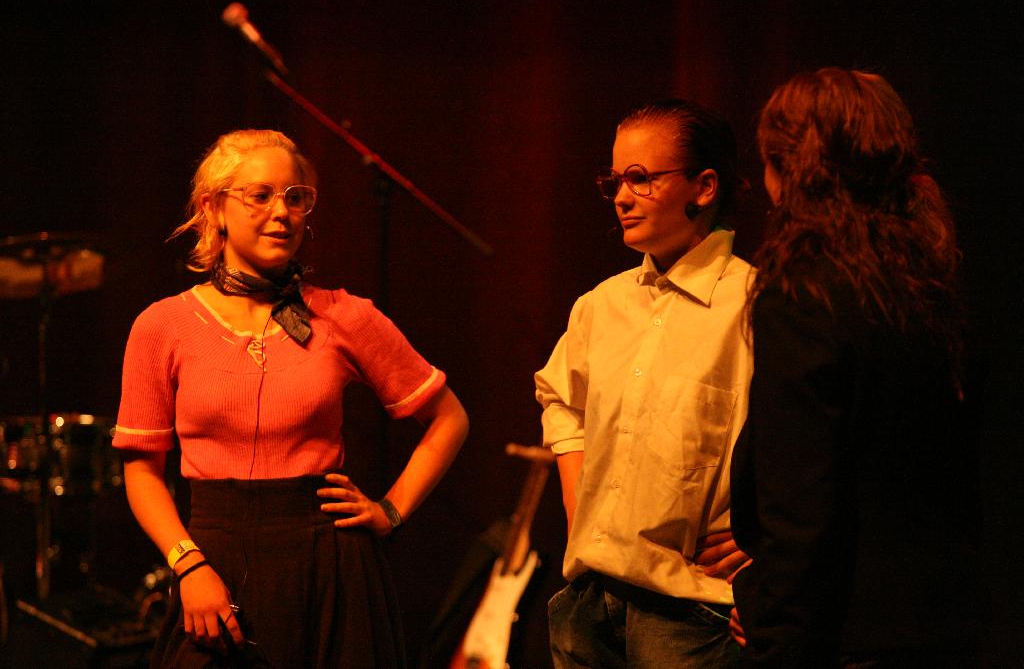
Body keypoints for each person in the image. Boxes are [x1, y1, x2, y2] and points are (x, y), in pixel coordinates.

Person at [113, 129, 469, 668]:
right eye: (260, 195)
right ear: (213, 208)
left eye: (295, 197)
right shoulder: (163, 326)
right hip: (213, 564)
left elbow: (449, 418)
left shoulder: (342, 316)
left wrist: (390, 510)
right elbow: (142, 470)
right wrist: (187, 564)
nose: (282, 212)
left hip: (329, 568)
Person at [730, 68, 980, 666]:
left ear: (789, 170)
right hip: (943, 626)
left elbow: (803, 506)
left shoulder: (805, 295)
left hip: (846, 635)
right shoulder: (930, 284)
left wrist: (775, 631)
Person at [535, 99, 753, 668]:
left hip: (690, 613)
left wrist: (767, 541)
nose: (622, 197)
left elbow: (809, 441)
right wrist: (579, 505)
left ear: (704, 187)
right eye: (615, 181)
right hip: (589, 602)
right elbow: (561, 401)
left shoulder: (753, 306)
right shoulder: (601, 305)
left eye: (640, 178)